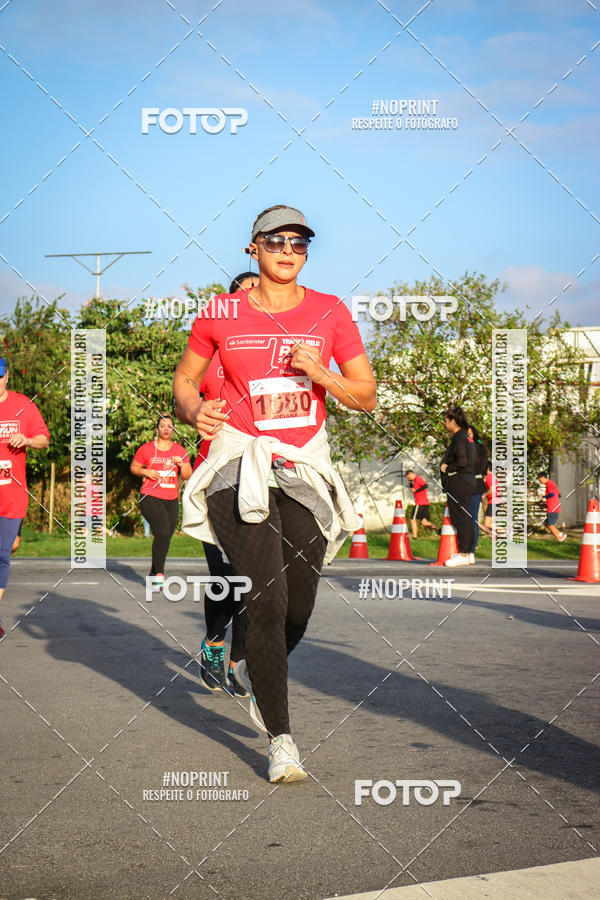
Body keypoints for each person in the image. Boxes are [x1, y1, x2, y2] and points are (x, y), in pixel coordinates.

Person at [174, 204, 376, 783]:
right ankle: (281, 738)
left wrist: (322, 374)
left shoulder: (331, 312)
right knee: (264, 595)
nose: (289, 250)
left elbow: (366, 396)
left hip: (305, 468)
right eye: (276, 240)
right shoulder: (221, 312)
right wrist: (195, 409)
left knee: (298, 605)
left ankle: (255, 670)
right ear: (253, 249)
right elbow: (184, 379)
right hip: (239, 463)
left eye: (300, 242)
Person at [197, 273, 258, 697]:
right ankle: (214, 643)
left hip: (264, 478)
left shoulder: (277, 351)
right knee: (225, 575)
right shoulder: (210, 351)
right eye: (246, 294)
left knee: (258, 577)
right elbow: (185, 394)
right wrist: (198, 408)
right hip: (218, 477)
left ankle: (240, 662)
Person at [0, 357, 50, 638]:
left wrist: (27, 439)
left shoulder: (23, 405)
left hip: (12, 494)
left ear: (6, 377)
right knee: (5, 549)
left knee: (2, 553)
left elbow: (44, 438)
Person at [130, 414, 192, 587]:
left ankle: (152, 572)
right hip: (150, 496)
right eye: (163, 425)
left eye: (169, 426)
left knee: (165, 536)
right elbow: (134, 467)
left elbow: (187, 475)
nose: (166, 428)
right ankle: (159, 573)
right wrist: (146, 472)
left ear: (173, 429)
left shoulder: (179, 450)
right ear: (157, 429)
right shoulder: (147, 449)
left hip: (171, 498)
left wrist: (182, 465)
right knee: (163, 532)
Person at [440, 407, 476, 567]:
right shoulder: (466, 437)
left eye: (446, 421)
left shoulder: (459, 437)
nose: (444, 424)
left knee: (460, 517)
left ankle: (463, 553)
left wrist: (447, 467)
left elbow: (462, 461)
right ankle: (468, 553)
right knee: (465, 516)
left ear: (453, 421)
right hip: (466, 480)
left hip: (459, 481)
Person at [467, 425, 490, 549]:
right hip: (471, 485)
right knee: (469, 517)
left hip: (474, 485)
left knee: (471, 517)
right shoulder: (476, 447)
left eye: (469, 433)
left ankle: (470, 548)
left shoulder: (476, 448)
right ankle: (468, 547)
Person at [406, 469, 438, 539]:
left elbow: (425, 486)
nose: (408, 479)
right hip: (425, 503)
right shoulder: (415, 481)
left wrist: (416, 490)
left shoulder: (418, 479)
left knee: (412, 519)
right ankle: (440, 530)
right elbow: (413, 490)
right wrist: (410, 483)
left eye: (408, 477)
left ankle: (414, 537)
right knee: (424, 522)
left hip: (420, 503)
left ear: (410, 474)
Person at [538, 472, 566, 542]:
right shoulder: (552, 484)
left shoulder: (549, 484)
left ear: (542, 478)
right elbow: (559, 495)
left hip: (552, 508)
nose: (539, 481)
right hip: (555, 506)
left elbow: (552, 494)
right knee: (546, 523)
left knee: (549, 524)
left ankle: (560, 536)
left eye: (539, 479)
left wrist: (543, 496)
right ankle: (560, 535)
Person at [484, 461, 501, 538]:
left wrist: (484, 495)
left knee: (487, 523)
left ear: (487, 468)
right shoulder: (494, 476)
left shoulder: (489, 477)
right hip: (498, 501)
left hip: (493, 502)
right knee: (492, 522)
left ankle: (506, 530)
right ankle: (494, 536)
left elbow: (492, 489)